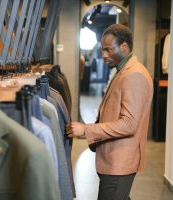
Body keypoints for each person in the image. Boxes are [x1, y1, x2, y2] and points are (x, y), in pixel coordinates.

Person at [66, 24, 153, 200]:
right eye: (102, 50)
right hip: (113, 159)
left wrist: (86, 129)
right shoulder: (123, 70)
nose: (104, 55)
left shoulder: (134, 75)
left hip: (120, 162)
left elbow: (129, 124)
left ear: (124, 47)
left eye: (108, 50)